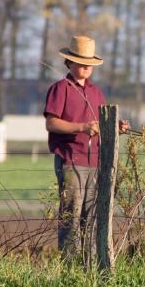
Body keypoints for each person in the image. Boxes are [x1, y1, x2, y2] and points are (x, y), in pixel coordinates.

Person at [43, 36, 126, 261]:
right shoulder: (60, 89)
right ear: (69, 63)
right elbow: (51, 123)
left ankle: (88, 265)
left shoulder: (96, 92)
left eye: (89, 62)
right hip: (70, 159)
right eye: (81, 62)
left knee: (90, 218)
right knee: (71, 215)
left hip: (95, 162)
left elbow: (101, 123)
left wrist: (116, 127)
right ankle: (71, 266)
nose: (86, 66)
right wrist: (82, 127)